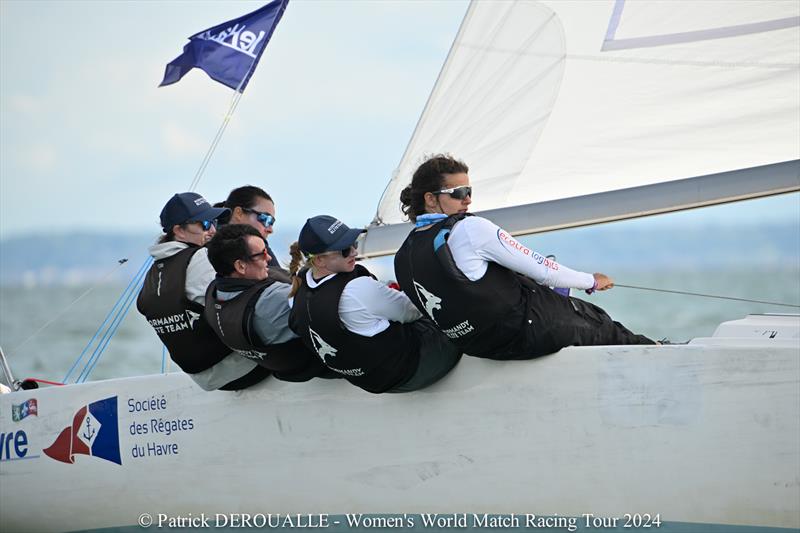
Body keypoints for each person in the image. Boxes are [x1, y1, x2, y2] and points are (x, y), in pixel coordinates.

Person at [394, 155, 655, 361]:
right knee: (599, 322)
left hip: (478, 347)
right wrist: (591, 281)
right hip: (521, 333)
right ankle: (656, 353)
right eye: (459, 193)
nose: (469, 200)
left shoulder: (403, 256)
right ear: (430, 199)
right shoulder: (471, 229)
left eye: (470, 190)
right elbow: (543, 269)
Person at [288, 215, 462, 394]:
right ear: (319, 260)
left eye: (354, 243)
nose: (354, 252)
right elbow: (415, 309)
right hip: (415, 369)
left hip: (373, 381)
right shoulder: (356, 289)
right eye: (345, 250)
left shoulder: (297, 292)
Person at [136, 192, 270, 391]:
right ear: (179, 231)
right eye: (205, 224)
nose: (214, 231)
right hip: (243, 369)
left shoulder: (154, 273)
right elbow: (243, 304)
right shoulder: (200, 257)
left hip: (204, 379)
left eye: (214, 222)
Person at [204, 224, 331, 382]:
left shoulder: (214, 293)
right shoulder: (273, 301)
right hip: (320, 367)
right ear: (240, 266)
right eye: (262, 254)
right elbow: (335, 305)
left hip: (282, 370)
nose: (269, 258)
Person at [216, 185, 289, 282]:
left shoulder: (257, 243)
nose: (270, 229)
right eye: (265, 219)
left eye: (271, 222)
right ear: (239, 213)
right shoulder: (210, 250)